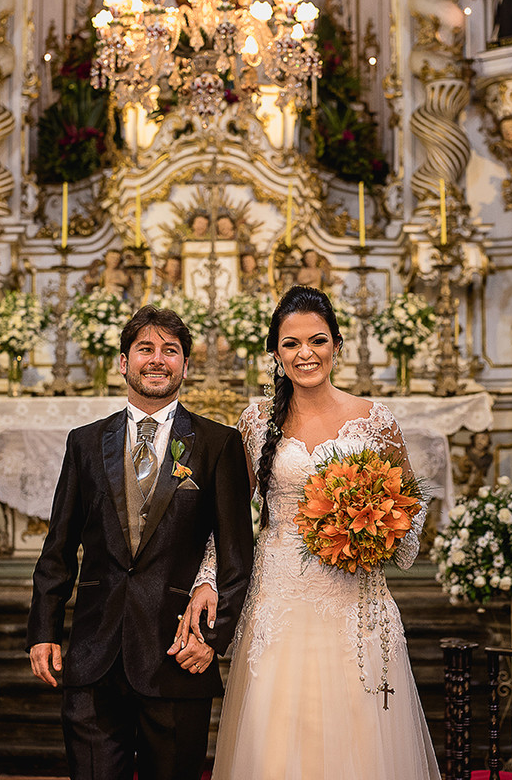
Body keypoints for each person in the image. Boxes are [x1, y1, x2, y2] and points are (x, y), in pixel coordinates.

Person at [177, 285, 441, 779]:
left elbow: (411, 513)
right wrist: (208, 578)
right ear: (275, 352)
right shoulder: (256, 422)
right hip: (279, 596)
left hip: (355, 596)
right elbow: (231, 518)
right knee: (279, 729)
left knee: (360, 731)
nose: (306, 354)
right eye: (292, 344)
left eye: (317, 341)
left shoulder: (375, 420)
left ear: (337, 345)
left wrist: (377, 529)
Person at [27, 305, 255, 780]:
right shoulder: (85, 443)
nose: (157, 359)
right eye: (145, 349)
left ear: (185, 366)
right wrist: (44, 630)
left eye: (170, 350)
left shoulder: (218, 444)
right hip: (94, 655)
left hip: (177, 656)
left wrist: (214, 639)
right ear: (124, 362)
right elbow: (59, 548)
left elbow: (237, 557)